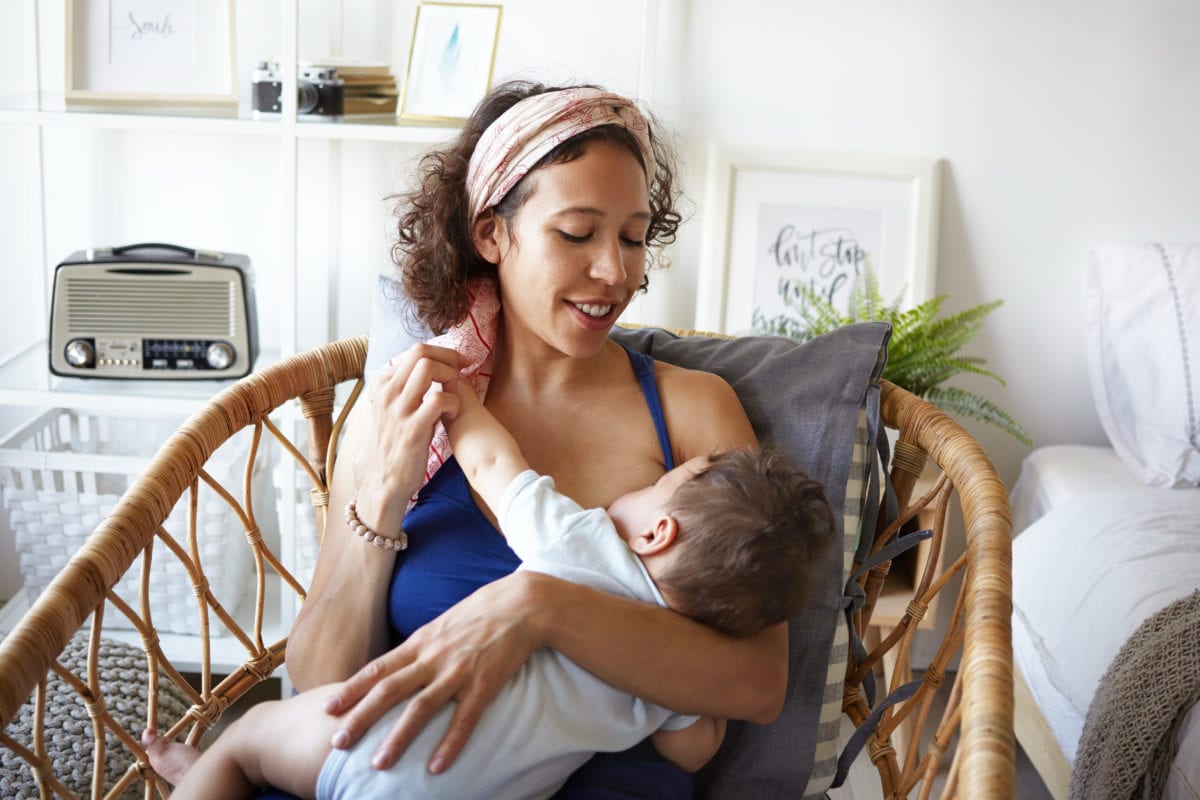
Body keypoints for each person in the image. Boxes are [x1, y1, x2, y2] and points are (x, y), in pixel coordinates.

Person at [256, 80, 795, 799]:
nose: (617, 272)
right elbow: (319, 684)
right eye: (577, 234)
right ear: (491, 234)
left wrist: (540, 609)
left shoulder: (694, 413)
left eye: (634, 237)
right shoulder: (409, 407)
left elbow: (757, 684)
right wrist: (380, 503)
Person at [144, 376, 835, 799]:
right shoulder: (670, 676)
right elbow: (696, 748)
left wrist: (461, 402)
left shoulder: (582, 543)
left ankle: (207, 778)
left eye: (664, 483)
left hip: (382, 749)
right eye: (577, 234)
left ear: (656, 534)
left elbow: (494, 463)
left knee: (249, 738)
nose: (616, 268)